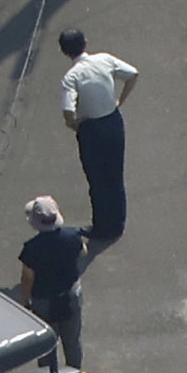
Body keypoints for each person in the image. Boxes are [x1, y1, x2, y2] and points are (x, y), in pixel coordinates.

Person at [59, 28, 138, 246]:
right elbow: (133, 74)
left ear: (65, 52)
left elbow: (67, 110)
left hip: (91, 129)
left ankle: (102, 226)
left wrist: (74, 124)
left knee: (97, 180)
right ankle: (117, 223)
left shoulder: (71, 77)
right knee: (115, 175)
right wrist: (119, 102)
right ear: (85, 42)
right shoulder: (105, 59)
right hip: (113, 122)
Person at [17, 193, 87, 366]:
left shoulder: (31, 248)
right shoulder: (72, 236)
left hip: (43, 302)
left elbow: (27, 278)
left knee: (45, 347)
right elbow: (83, 252)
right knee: (73, 343)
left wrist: (24, 301)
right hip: (70, 296)